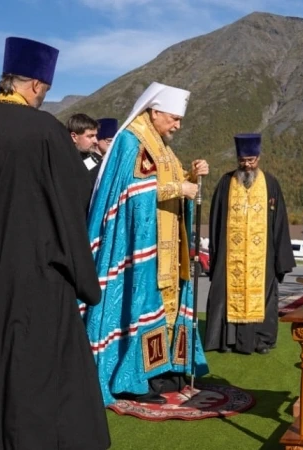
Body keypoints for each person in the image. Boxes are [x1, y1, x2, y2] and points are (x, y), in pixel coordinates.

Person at [0, 36, 110, 449]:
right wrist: (83, 277)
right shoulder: (44, 131)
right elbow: (70, 203)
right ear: (36, 84)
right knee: (36, 367)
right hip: (35, 273)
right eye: (46, 91)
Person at [84, 81, 210, 406]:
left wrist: (193, 176)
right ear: (154, 111)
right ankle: (135, 380)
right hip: (137, 248)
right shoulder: (131, 140)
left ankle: (163, 372)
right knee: (138, 308)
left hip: (165, 247)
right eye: (174, 118)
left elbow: (169, 179)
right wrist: (180, 189)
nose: (178, 126)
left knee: (163, 312)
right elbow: (132, 191)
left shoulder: (161, 146)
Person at [204, 133, 295, 355]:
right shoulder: (226, 183)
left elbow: (280, 221)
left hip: (261, 256)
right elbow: (216, 220)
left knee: (263, 297)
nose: (247, 165)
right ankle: (227, 341)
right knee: (226, 294)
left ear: (258, 158)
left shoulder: (270, 184)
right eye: (243, 161)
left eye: (251, 160)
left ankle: (260, 341)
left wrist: (280, 260)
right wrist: (215, 256)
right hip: (230, 255)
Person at [87, 117, 117, 183]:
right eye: (109, 141)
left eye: (115, 141)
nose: (112, 144)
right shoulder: (88, 160)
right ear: (98, 140)